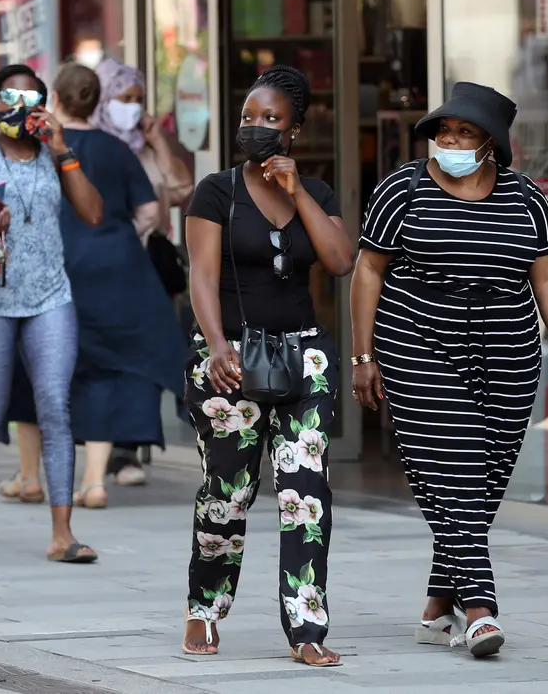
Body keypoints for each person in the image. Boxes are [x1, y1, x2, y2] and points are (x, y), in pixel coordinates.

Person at [350, 82, 548, 658]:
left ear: (491, 143)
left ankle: (438, 602)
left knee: (479, 486)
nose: (449, 142)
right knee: (453, 468)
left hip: (509, 347)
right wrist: (363, 356)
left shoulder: (525, 198)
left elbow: (546, 275)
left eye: (465, 133)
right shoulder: (401, 191)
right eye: (443, 131)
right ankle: (479, 609)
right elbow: (368, 272)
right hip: (418, 341)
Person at [180, 65, 354, 667]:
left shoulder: (320, 194)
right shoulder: (215, 191)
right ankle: (204, 608)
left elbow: (339, 260)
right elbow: (201, 276)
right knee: (229, 493)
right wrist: (217, 344)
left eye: (270, 119)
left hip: (303, 356)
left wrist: (298, 191)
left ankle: (307, 627)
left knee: (306, 496)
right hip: (230, 355)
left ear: (295, 131)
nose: (255, 127)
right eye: (248, 117)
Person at [0, 64, 103, 562]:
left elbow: (93, 215)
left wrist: (64, 149)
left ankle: (62, 534)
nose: (20, 110)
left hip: (50, 297)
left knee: (55, 408)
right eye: (10, 100)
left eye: (32, 101)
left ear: (45, 107)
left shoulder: (56, 155)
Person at [0, 63, 187, 510]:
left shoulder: (36, 147)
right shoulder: (118, 150)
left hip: (53, 271)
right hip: (116, 271)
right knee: (103, 367)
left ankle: (29, 476)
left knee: (31, 368)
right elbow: (148, 213)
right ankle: (95, 481)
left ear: (56, 100)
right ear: (96, 100)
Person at [92, 57, 195, 487]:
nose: (131, 107)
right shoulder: (89, 145)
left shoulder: (148, 145)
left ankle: (128, 448)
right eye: (123, 98)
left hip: (148, 267)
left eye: (138, 100)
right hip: (100, 270)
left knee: (146, 358)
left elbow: (182, 189)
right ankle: (100, 442)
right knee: (104, 357)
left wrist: (157, 141)